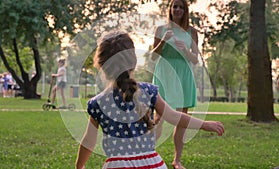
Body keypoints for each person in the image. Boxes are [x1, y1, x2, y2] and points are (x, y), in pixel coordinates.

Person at [75, 31, 224, 169]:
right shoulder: (148, 91)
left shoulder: (98, 103)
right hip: (152, 164)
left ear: (101, 65)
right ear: (133, 62)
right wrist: (203, 124)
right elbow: (173, 116)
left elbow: (89, 140)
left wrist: (79, 167)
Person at [151, 0, 200, 168]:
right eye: (174, 6)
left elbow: (195, 59)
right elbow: (153, 57)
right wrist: (163, 41)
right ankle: (148, 154)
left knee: (182, 119)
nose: (177, 9)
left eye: (181, 7)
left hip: (183, 75)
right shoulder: (161, 29)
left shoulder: (192, 32)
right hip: (164, 73)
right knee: (158, 117)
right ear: (170, 9)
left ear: (185, 10)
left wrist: (185, 50)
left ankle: (177, 160)